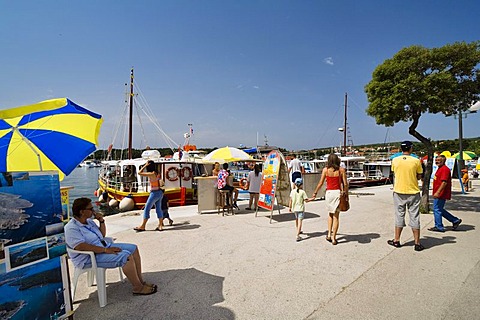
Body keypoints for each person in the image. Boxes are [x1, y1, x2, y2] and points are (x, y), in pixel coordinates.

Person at [65, 197, 156, 295]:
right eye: (91, 209)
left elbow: (102, 235)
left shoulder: (89, 222)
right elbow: (80, 247)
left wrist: (101, 221)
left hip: (102, 248)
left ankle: (140, 281)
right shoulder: (71, 228)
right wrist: (105, 250)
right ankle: (137, 287)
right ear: (82, 211)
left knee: (133, 248)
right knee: (126, 256)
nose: (93, 211)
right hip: (88, 257)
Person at [389, 141, 424, 251]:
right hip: (413, 191)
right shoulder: (416, 161)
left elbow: (394, 173)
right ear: (410, 148)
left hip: (399, 191)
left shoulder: (395, 160)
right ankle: (417, 243)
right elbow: (419, 176)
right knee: (414, 216)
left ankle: (396, 240)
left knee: (399, 215)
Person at [312, 154, 348, 245]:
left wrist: (315, 192)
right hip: (337, 193)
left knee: (330, 215)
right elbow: (345, 184)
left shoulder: (325, 170)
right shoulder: (341, 170)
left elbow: (320, 183)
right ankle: (334, 238)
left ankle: (328, 234)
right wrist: (346, 193)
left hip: (329, 193)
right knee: (336, 216)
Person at [428, 155, 462, 232]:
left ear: (444, 161)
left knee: (436, 209)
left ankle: (439, 226)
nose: (437, 162)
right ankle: (455, 220)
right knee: (439, 209)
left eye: (439, 160)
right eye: (436, 160)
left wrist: (438, 192)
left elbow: (444, 182)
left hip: (441, 193)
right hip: (439, 193)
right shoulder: (439, 169)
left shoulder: (444, 169)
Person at [134, 160, 165, 232]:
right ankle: (160, 225)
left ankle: (143, 226)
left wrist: (145, 165)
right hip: (160, 192)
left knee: (147, 208)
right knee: (158, 209)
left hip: (154, 193)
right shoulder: (157, 173)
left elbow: (139, 173)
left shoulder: (151, 174)